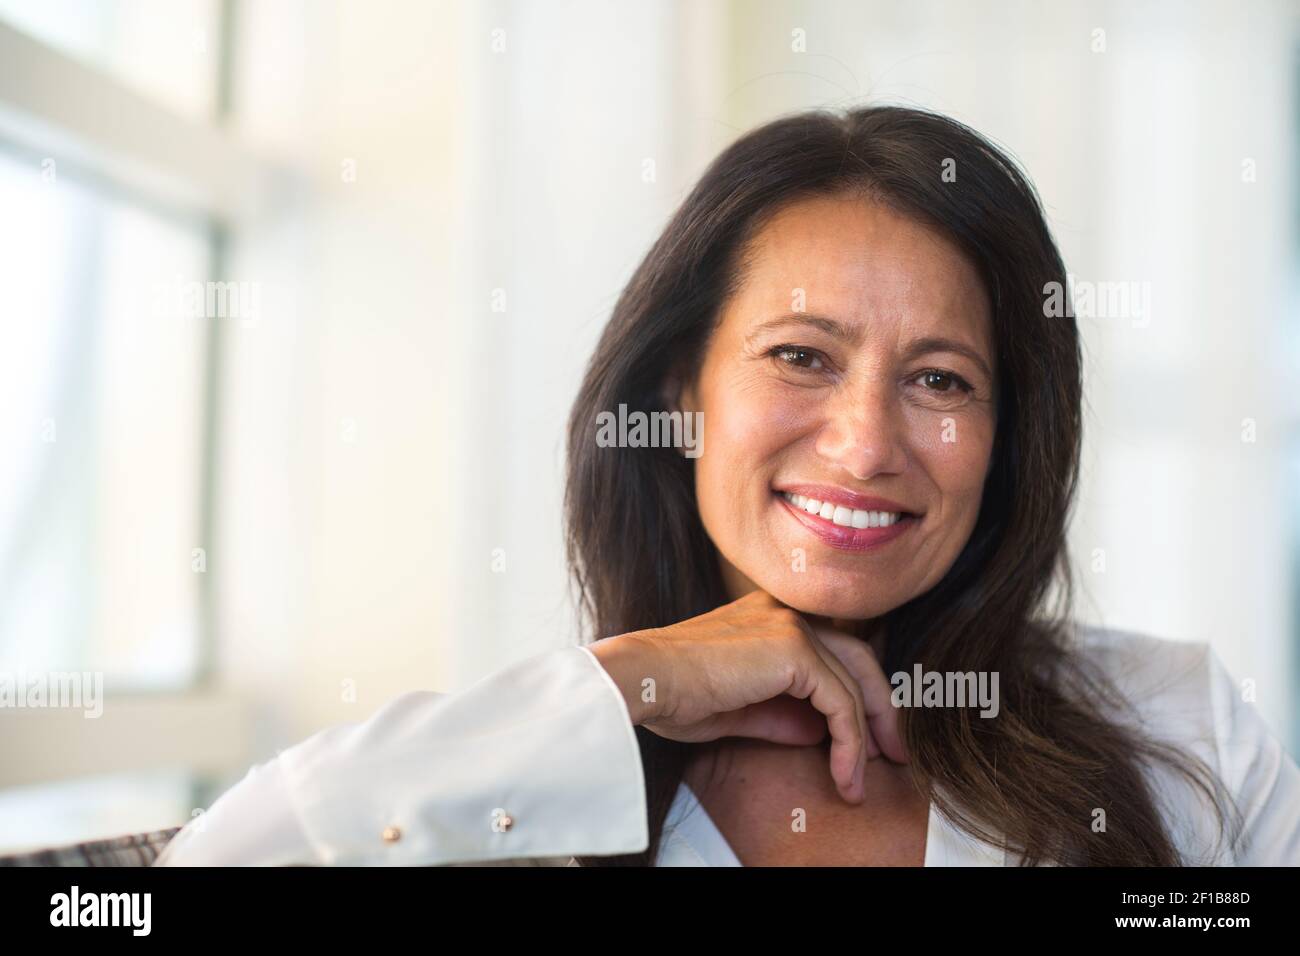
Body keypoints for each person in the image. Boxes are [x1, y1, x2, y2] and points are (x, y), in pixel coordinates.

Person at [155, 105, 1300, 867]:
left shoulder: (1177, 725)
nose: (862, 446)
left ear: (1007, 435)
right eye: (801, 354)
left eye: (940, 378)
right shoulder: (516, 778)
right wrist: (630, 682)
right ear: (679, 388)